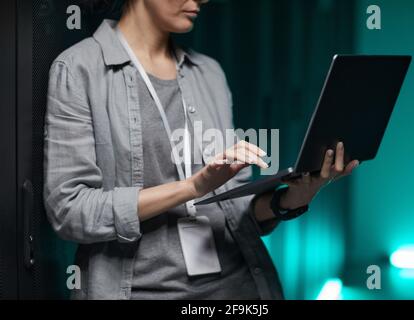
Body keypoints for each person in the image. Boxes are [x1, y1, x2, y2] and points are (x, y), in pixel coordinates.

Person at [43, 0, 359, 300]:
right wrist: (191, 187)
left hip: (240, 287)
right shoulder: (79, 69)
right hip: (140, 290)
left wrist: (294, 198)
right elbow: (69, 210)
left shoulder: (209, 73)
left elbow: (236, 206)